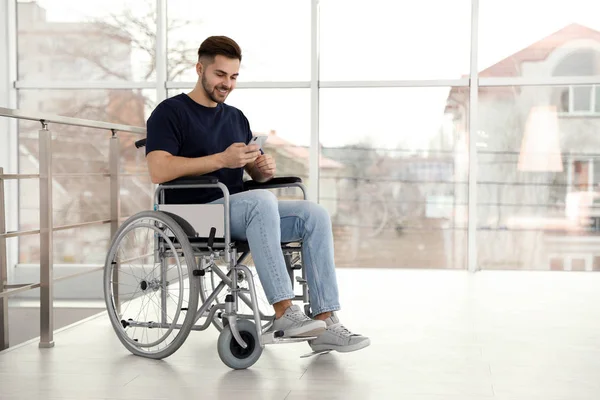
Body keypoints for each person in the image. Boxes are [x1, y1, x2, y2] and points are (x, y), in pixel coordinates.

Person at [145, 36, 369, 353]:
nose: (227, 84)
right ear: (200, 69)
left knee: (313, 214)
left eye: (234, 77)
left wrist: (262, 168)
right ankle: (283, 313)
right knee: (260, 202)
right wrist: (221, 159)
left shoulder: (236, 117)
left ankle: (325, 322)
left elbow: (255, 174)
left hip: (238, 210)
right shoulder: (170, 112)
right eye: (220, 75)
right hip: (192, 213)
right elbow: (159, 170)